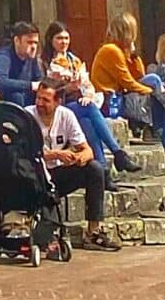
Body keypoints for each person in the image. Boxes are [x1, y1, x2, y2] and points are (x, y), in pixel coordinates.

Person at [33, 80, 120, 250]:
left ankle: (93, 232)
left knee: (94, 169)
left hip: (58, 174)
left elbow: (88, 150)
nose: (39, 103)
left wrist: (79, 157)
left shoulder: (66, 115)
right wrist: (56, 154)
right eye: (38, 98)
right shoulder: (28, 115)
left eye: (45, 100)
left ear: (58, 102)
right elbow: (23, 153)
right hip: (35, 175)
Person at [41, 21, 132, 173]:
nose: (63, 42)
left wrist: (88, 95)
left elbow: (88, 84)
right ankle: (117, 153)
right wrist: (67, 88)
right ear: (51, 40)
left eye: (66, 38)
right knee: (88, 109)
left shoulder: (74, 60)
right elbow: (46, 90)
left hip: (78, 104)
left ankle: (103, 172)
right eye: (59, 38)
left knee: (87, 122)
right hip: (58, 105)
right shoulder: (45, 62)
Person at [0, 20, 48, 111]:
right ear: (17, 41)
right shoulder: (3, 57)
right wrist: (30, 86)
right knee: (16, 96)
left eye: (35, 43)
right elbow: (0, 83)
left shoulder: (32, 58)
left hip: (25, 101)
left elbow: (39, 80)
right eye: (29, 42)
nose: (34, 47)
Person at [89, 12, 147, 118]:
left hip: (121, 95)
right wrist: (152, 92)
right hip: (110, 99)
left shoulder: (121, 50)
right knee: (154, 82)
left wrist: (133, 56)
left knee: (152, 79)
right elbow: (127, 82)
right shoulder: (111, 50)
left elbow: (139, 76)